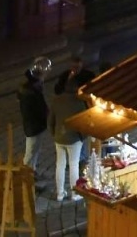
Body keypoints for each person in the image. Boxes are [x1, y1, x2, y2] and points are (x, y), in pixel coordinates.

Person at [50, 72, 87, 201]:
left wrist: (54, 134)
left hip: (59, 137)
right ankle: (74, 193)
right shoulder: (79, 103)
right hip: (74, 138)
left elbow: (51, 120)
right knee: (74, 164)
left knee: (60, 165)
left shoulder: (56, 100)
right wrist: (83, 137)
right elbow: (84, 122)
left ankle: (60, 193)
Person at [17, 63, 50, 178]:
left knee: (35, 150)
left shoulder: (32, 92)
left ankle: (32, 170)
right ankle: (26, 173)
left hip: (36, 125)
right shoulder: (31, 95)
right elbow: (37, 110)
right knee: (31, 151)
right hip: (33, 126)